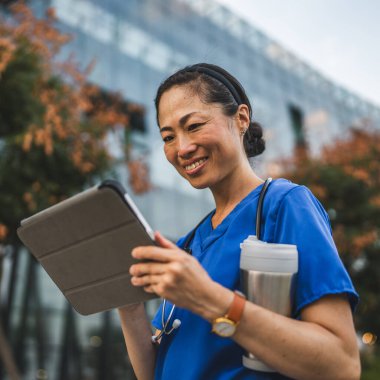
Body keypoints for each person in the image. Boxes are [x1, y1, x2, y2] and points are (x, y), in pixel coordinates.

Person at [118, 63, 360, 380]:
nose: (182, 148)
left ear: (241, 118)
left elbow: (341, 365)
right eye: (168, 137)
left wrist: (211, 299)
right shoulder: (187, 246)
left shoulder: (285, 206)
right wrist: (126, 302)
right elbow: (156, 373)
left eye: (193, 126)